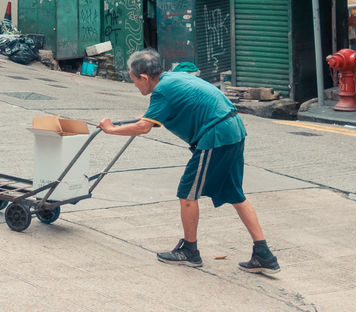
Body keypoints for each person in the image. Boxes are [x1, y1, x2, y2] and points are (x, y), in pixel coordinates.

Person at [98, 48, 279, 275]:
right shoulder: (174, 77)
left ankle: (190, 251)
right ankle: (264, 254)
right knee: (235, 193)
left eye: (134, 80)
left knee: (187, 194)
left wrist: (111, 129)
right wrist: (143, 119)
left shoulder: (161, 92)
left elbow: (144, 127)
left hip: (215, 136)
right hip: (234, 130)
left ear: (143, 77)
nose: (135, 85)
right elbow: (156, 116)